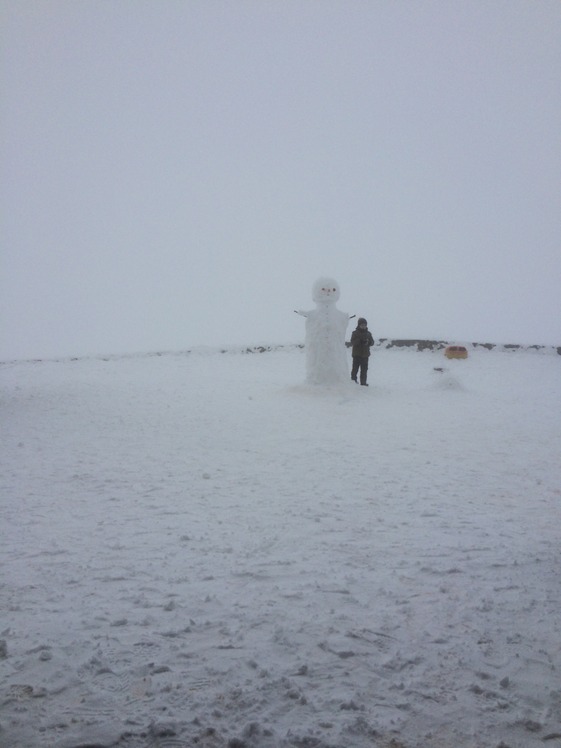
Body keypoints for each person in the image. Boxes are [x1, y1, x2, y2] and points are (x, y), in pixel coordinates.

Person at [350, 318, 374, 385]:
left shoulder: (368, 334)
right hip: (356, 355)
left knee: (364, 370)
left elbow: (372, 342)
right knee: (355, 369)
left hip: (365, 355)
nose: (363, 326)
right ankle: (353, 382)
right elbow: (352, 342)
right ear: (359, 325)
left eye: (364, 325)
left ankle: (363, 383)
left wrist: (368, 342)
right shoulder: (355, 333)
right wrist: (359, 341)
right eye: (362, 325)